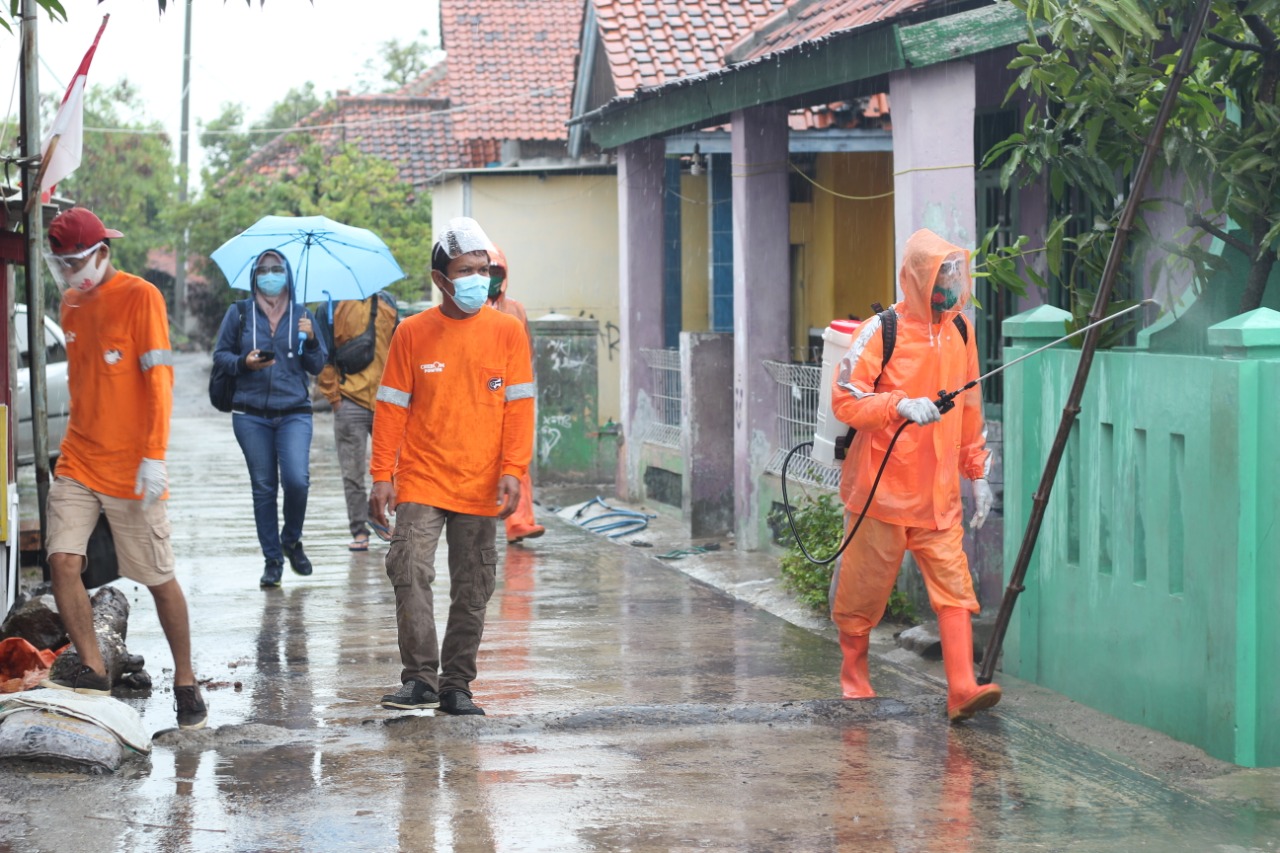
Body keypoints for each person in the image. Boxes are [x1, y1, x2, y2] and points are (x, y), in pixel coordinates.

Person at [39, 207, 207, 729]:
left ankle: (185, 679)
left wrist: (154, 453)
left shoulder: (141, 297)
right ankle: (92, 666)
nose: (71, 273)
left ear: (103, 253)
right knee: (63, 561)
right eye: (62, 264)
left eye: (78, 262)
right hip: (79, 458)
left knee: (158, 577)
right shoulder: (69, 302)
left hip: (134, 466)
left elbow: (160, 381)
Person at [829, 228, 1000, 723]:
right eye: (942, 274)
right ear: (919, 277)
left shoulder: (961, 332)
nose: (951, 283)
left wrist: (977, 473)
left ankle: (962, 688)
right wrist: (898, 404)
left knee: (955, 588)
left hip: (939, 495)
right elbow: (846, 396)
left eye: (956, 273)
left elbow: (970, 408)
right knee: (863, 591)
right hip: (881, 491)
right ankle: (854, 676)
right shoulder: (881, 331)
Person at [370, 217, 534, 716]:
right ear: (441, 280)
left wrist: (514, 468)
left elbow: (520, 406)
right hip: (421, 478)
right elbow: (391, 408)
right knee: (410, 571)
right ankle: (419, 678)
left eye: (484, 270)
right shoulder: (412, 333)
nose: (478, 280)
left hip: (483, 482)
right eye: (467, 271)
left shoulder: (508, 332)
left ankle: (456, 684)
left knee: (474, 584)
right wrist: (381, 476)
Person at [212, 249, 327, 588]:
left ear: (288, 274)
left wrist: (311, 339)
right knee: (264, 488)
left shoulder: (303, 315)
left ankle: (291, 539)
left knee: (297, 481)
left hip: (294, 412)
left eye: (277, 269)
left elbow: (317, 366)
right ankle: (273, 559)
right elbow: (220, 356)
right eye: (264, 270)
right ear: (254, 276)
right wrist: (243, 363)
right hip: (250, 415)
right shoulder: (240, 313)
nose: (271, 275)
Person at [316, 292, 398, 551]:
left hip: (388, 402)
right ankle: (360, 530)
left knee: (399, 469)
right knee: (352, 472)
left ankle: (398, 525)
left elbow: (400, 352)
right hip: (349, 401)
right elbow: (323, 357)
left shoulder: (389, 305)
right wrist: (335, 400)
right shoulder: (331, 307)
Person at [485, 246, 544, 545]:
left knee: (517, 462)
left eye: (498, 272)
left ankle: (520, 522)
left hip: (510, 399)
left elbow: (527, 353)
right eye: (488, 271)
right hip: (480, 401)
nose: (493, 278)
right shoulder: (468, 311)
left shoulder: (515, 310)